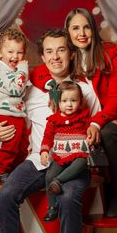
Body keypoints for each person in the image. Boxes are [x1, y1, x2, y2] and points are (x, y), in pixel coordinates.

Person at [0, 28, 101, 233]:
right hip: (38, 161)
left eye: (61, 49)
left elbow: (99, 125)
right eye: (49, 51)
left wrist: (94, 132)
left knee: (69, 196)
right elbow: (6, 113)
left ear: (71, 53)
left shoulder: (84, 89)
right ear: (41, 56)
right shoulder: (29, 90)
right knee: (6, 195)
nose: (55, 56)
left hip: (72, 164)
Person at [31, 8, 117, 218]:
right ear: (68, 33)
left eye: (86, 27)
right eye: (75, 28)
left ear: (94, 29)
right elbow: (39, 72)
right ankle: (89, 184)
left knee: (107, 134)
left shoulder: (112, 52)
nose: (82, 33)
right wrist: (53, 88)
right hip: (92, 115)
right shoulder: (68, 56)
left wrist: (96, 123)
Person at [40, 80, 91, 222]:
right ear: (58, 103)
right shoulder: (53, 120)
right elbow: (47, 137)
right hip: (60, 156)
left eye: (73, 100)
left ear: (80, 101)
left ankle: (59, 181)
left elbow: (90, 131)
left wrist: (91, 138)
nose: (69, 104)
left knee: (82, 163)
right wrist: (44, 151)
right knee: (49, 175)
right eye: (64, 101)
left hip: (78, 154)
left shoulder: (83, 117)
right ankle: (52, 207)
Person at [0, 27, 30, 183]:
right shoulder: (2, 70)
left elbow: (24, 85)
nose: (15, 56)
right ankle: (2, 171)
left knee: (23, 143)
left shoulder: (14, 71)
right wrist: (24, 70)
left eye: (19, 52)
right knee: (11, 140)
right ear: (0, 52)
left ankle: (18, 169)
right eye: (10, 52)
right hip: (3, 112)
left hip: (15, 113)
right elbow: (17, 89)